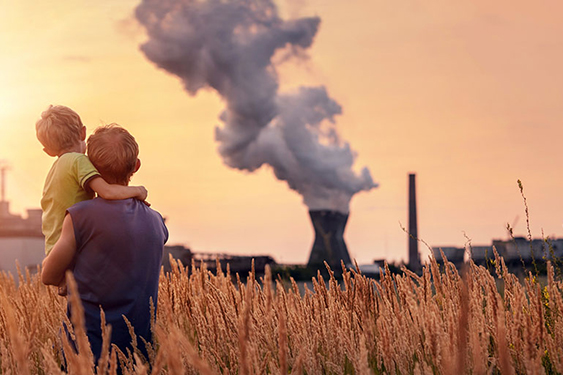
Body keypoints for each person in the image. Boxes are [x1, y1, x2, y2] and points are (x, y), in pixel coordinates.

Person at [41, 124, 168, 365]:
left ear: (89, 165)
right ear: (136, 166)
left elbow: (48, 275)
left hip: (85, 353)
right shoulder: (156, 221)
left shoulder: (79, 216)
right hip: (139, 356)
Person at [36, 105, 148, 256]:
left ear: (48, 151)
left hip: (54, 250)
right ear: (83, 133)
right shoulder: (77, 161)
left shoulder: (56, 169)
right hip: (70, 250)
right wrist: (138, 191)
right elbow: (107, 191)